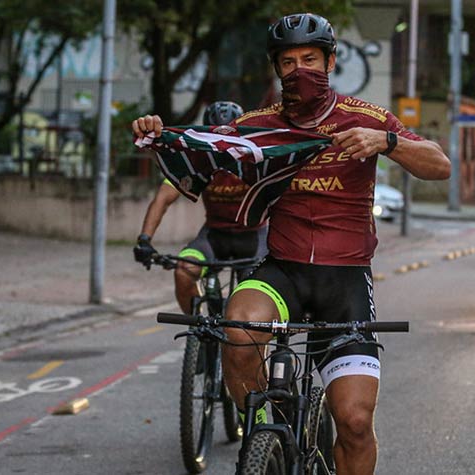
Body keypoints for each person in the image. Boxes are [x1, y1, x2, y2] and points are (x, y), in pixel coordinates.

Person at [132, 13, 450, 474]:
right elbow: (201, 152)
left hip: (345, 285)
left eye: (310, 59)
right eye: (288, 62)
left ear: (331, 61)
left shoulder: (368, 118)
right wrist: (158, 136)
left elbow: (438, 166)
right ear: (276, 69)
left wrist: (385, 141)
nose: (299, 69)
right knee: (236, 328)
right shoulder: (257, 125)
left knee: (356, 422)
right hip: (283, 271)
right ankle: (267, 430)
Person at [133, 101, 267, 314]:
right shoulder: (197, 165)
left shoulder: (256, 163)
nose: (222, 145)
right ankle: (199, 333)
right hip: (214, 237)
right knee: (183, 271)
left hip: (254, 237)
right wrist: (144, 240)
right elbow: (162, 199)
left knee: (252, 295)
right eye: (213, 137)